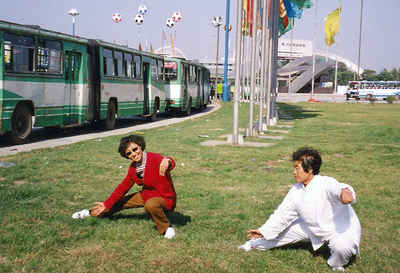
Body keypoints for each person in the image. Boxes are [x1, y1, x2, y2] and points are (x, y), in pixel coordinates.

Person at [239, 147, 361, 271]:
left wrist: (346, 193)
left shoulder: (326, 183)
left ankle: (336, 265)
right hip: (311, 227)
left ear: (310, 170)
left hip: (340, 229)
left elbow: (340, 188)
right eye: (294, 168)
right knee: (278, 235)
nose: (294, 172)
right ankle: (252, 245)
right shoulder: (296, 190)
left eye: (297, 168)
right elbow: (282, 215)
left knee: (343, 247)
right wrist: (263, 231)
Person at [72, 134, 177, 239]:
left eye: (135, 149)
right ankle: (90, 213)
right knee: (118, 202)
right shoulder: (133, 168)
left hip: (165, 197)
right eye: (129, 153)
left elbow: (170, 162)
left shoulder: (155, 158)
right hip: (147, 195)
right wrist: (106, 204)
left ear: (140, 146)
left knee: (151, 205)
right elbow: (122, 187)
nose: (134, 154)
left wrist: (167, 161)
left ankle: (167, 228)